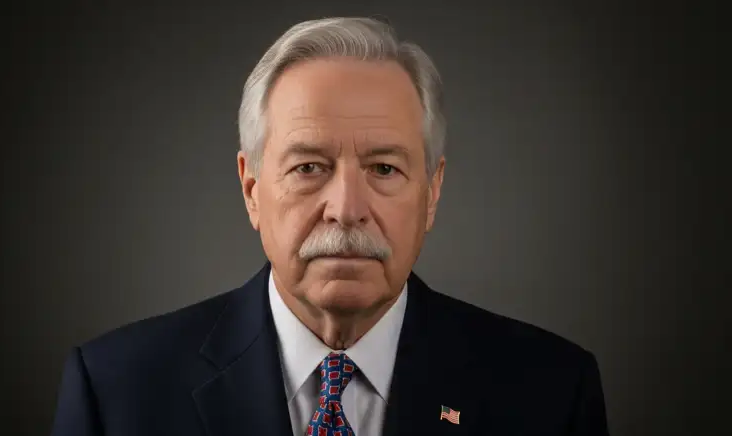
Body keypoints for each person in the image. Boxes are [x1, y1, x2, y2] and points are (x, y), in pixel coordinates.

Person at [50, 16, 609, 436]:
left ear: (432, 193)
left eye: (384, 168)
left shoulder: (552, 395)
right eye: (309, 167)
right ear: (252, 189)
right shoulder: (116, 392)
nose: (346, 208)